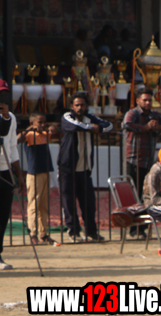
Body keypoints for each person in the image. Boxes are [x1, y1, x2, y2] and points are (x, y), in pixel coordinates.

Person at [122, 87, 161, 235]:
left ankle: (142, 227)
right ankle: (134, 228)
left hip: (148, 161)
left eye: (149, 100)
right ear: (138, 101)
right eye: (144, 100)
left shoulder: (154, 114)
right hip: (134, 160)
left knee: (146, 195)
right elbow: (126, 124)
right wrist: (145, 127)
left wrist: (160, 127)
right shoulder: (133, 113)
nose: (147, 103)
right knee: (134, 195)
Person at [60, 93, 112, 243]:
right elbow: (73, 126)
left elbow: (109, 126)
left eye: (82, 105)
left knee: (89, 203)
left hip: (85, 168)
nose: (79, 108)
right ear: (72, 106)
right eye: (77, 105)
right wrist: (91, 128)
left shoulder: (90, 117)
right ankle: (73, 231)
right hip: (68, 168)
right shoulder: (67, 116)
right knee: (69, 202)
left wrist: (98, 128)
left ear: (86, 106)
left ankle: (91, 232)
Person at [17, 113, 55, 245]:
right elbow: (17, 139)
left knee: (44, 204)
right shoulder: (29, 135)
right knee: (34, 204)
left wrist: (52, 128)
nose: (43, 125)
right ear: (32, 123)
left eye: (44, 122)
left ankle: (43, 233)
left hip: (45, 171)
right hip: (34, 174)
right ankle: (33, 233)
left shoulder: (44, 134)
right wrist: (28, 129)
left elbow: (56, 132)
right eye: (40, 122)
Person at [0, 85, 22, 270]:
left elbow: (12, 146)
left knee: (2, 214)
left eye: (4, 95)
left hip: (5, 169)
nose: (2, 99)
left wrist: (19, 174)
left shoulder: (10, 117)